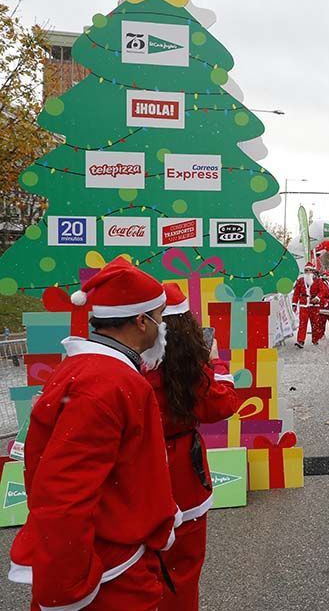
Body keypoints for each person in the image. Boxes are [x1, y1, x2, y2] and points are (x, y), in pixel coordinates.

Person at [8, 258, 179, 610]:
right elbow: (63, 493)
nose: (163, 326)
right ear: (140, 321)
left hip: (114, 560)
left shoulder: (90, 371)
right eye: (160, 317)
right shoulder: (106, 384)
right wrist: (68, 589)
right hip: (112, 577)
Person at [145, 284, 238, 610]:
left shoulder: (127, 366)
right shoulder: (190, 372)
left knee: (139, 568)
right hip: (183, 476)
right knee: (182, 567)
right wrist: (217, 364)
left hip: (138, 476)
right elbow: (222, 405)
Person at [291, 263, 327, 348]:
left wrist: (317, 298)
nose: (308, 272)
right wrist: (294, 303)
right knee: (302, 323)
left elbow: (322, 291)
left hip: (314, 305)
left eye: (309, 270)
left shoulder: (318, 280)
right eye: (306, 270)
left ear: (313, 271)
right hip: (304, 304)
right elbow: (296, 293)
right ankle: (300, 341)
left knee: (315, 323)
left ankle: (315, 339)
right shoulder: (300, 281)